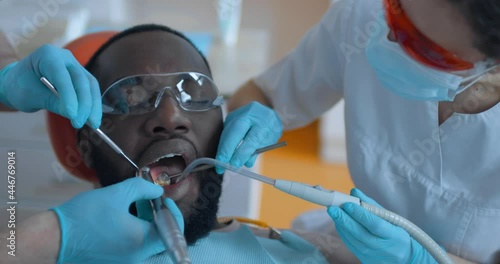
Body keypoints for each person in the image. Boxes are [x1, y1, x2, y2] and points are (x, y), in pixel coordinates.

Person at [218, 0, 500, 263]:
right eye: (395, 9)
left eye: (423, 48)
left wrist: (419, 258)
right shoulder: (363, 17)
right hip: (341, 247)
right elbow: (261, 94)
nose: (391, 40)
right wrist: (259, 114)